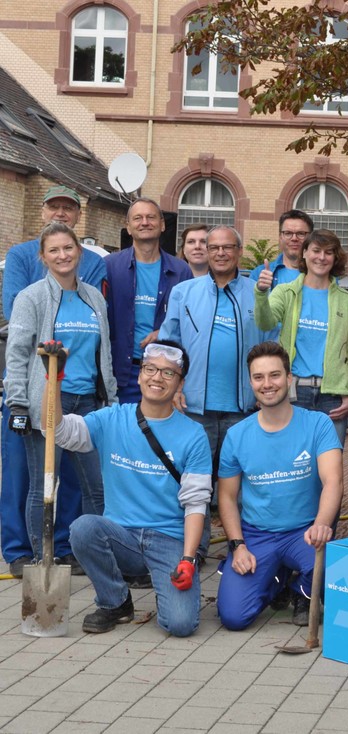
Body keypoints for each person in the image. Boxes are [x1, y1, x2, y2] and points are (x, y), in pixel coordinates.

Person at [45, 340, 212, 637]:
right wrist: (54, 381)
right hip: (121, 536)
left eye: (167, 373)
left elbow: (196, 503)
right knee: (84, 528)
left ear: (180, 382)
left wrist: (187, 559)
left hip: (169, 539)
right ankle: (115, 602)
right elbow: (59, 432)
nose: (157, 378)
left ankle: (168, 586)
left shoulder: (193, 435)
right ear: (139, 375)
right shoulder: (112, 418)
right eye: (150, 369)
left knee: (181, 624)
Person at [2, 187, 108, 577]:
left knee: (95, 487)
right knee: (43, 485)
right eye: (54, 251)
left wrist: (108, 397)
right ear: (43, 256)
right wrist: (17, 402)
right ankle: (40, 558)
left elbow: (104, 353)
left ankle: (96, 552)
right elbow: (16, 353)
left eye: (68, 249)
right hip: (47, 400)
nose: (63, 256)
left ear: (79, 252)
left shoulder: (94, 298)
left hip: (87, 404)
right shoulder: (31, 297)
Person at [215, 341, 343, 630]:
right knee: (234, 617)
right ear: (250, 382)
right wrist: (237, 547)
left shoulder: (318, 424)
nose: (267, 384)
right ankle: (277, 579)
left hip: (305, 532)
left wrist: (322, 523)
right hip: (257, 535)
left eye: (274, 375)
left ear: (289, 378)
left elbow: (333, 480)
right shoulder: (237, 436)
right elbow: (226, 497)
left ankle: (300, 589)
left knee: (333, 576)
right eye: (258, 377)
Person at [160, 225, 272, 479]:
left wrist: (264, 390)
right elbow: (169, 347)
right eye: (214, 248)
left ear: (239, 251)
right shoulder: (183, 293)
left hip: (244, 409)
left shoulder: (258, 294)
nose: (221, 253)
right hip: (194, 408)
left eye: (227, 247)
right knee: (193, 483)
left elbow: (271, 346)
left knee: (239, 485)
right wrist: (174, 388)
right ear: (207, 252)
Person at [255, 229, 348, 444]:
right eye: (316, 250)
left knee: (329, 467)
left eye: (328, 252)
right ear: (304, 253)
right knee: (291, 460)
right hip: (294, 392)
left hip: (332, 395)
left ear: (335, 257)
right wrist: (261, 293)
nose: (321, 257)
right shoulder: (285, 292)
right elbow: (265, 323)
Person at [105, 198, 193, 403]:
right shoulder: (110, 267)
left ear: (162, 225)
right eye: (138, 218)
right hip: (121, 373)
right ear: (128, 227)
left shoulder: (181, 271)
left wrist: (162, 333)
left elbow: (191, 324)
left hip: (164, 372)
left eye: (151, 217)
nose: (145, 222)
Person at [250, 210, 314, 290]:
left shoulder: (323, 274)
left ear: (311, 237)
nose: (294, 238)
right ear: (280, 237)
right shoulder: (259, 274)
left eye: (301, 233)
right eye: (288, 233)